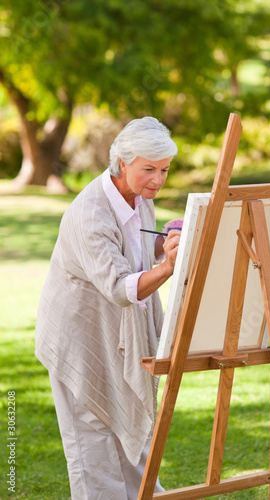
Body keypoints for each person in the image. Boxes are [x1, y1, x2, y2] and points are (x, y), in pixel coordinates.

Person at [35, 117, 181, 499]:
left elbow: (132, 249)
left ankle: (144, 494)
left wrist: (166, 241)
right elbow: (118, 285)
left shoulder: (138, 197)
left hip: (113, 330)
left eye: (164, 170)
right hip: (79, 337)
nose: (158, 179)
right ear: (121, 163)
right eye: (148, 169)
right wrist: (167, 267)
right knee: (93, 441)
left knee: (128, 426)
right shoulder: (92, 214)